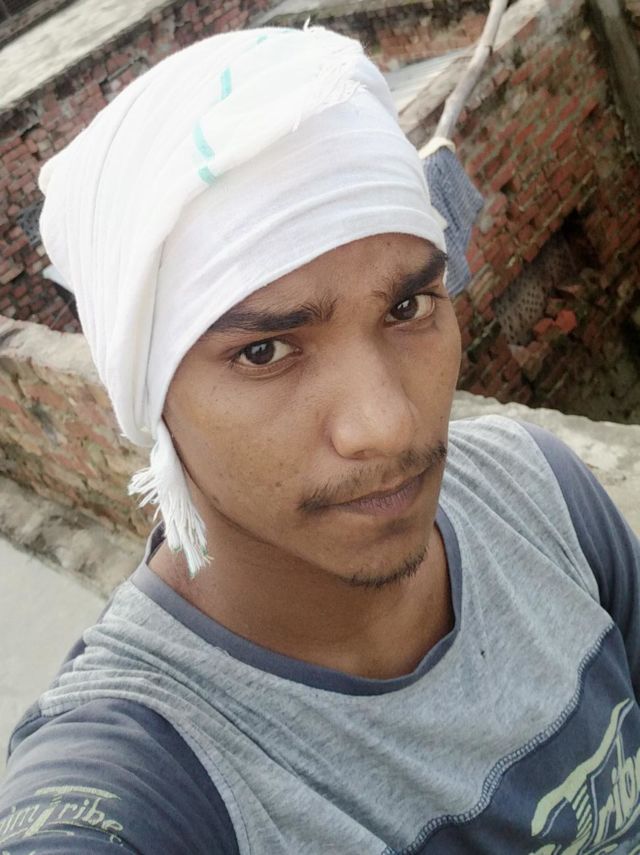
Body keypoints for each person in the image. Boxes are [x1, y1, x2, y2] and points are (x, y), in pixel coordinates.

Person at [1, 24, 639, 855]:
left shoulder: (541, 491)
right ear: (153, 400)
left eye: (407, 307)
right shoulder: (149, 772)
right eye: (265, 352)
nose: (388, 426)